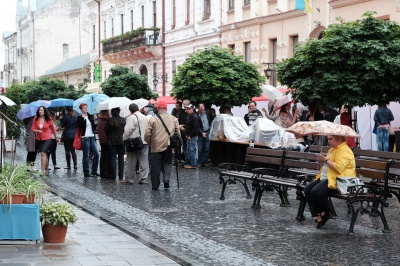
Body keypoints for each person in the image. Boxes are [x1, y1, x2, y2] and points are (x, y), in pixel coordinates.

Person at [304, 135, 356, 228]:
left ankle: (327, 212)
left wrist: (326, 160)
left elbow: (339, 168)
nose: (328, 141)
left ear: (339, 138)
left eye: (330, 139)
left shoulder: (344, 150)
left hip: (338, 179)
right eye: (328, 139)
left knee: (316, 192)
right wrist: (321, 161)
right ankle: (319, 214)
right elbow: (325, 166)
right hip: (326, 177)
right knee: (307, 189)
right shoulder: (332, 149)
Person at [145, 101, 180, 190]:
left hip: (156, 146)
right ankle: (166, 180)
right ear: (166, 108)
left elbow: (147, 133)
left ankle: (155, 185)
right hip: (168, 145)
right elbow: (177, 133)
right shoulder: (174, 119)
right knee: (167, 163)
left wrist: (149, 142)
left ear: (157, 109)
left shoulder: (152, 119)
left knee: (155, 166)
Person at [123, 103, 149, 184]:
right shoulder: (145, 117)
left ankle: (129, 179)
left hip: (134, 142)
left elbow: (127, 131)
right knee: (144, 161)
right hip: (144, 141)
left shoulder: (132, 117)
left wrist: (124, 139)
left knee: (130, 161)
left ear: (130, 110)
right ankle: (144, 178)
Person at [31, 106, 58, 175]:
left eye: (42, 110)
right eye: (39, 110)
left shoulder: (49, 119)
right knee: (44, 154)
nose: (40, 111)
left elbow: (53, 129)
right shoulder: (36, 118)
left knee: (43, 153)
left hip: (47, 138)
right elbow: (33, 128)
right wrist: (37, 131)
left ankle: (42, 171)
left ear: (44, 111)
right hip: (38, 138)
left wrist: (56, 137)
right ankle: (47, 168)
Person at [76, 103, 99, 177]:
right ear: (81, 109)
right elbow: (80, 126)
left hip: (92, 137)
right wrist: (83, 118)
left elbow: (94, 127)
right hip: (85, 138)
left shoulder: (90, 116)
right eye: (84, 108)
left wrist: (95, 120)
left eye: (86, 107)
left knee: (97, 154)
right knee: (86, 155)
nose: (86, 109)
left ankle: (94, 171)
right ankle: (86, 172)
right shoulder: (79, 118)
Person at [106, 108, 126, 180]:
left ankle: (113, 175)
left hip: (112, 141)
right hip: (121, 141)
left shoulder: (109, 120)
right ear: (119, 112)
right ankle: (121, 175)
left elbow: (107, 131)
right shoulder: (123, 120)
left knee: (113, 158)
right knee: (121, 158)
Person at [97, 110, 112, 179]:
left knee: (103, 156)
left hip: (101, 141)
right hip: (107, 141)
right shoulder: (106, 122)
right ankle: (107, 172)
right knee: (107, 157)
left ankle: (102, 172)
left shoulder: (100, 121)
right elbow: (108, 132)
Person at [184, 104, 200, 169]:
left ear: (192, 109)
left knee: (191, 150)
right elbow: (189, 126)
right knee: (189, 150)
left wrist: (190, 135)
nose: (188, 110)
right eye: (187, 109)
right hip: (189, 135)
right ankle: (190, 163)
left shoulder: (194, 117)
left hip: (192, 136)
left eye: (189, 109)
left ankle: (193, 164)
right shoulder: (189, 116)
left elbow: (195, 128)